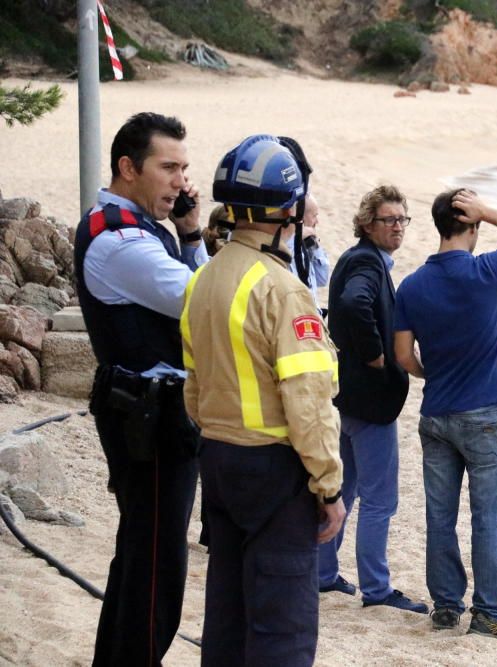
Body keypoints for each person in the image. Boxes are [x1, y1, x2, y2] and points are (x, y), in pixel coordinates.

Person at [181, 134, 346, 666]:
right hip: (275, 470)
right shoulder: (283, 289)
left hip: (219, 457)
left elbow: (193, 385)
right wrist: (328, 485)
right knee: (283, 625)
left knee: (228, 612)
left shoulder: (203, 280)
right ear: (287, 209)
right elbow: (308, 401)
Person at [74, 111, 206, 666]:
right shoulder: (120, 236)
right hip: (148, 417)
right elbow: (201, 301)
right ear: (128, 168)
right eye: (167, 167)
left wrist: (192, 232)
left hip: (154, 412)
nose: (180, 180)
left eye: (184, 167)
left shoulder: (139, 224)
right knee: (156, 566)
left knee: (140, 556)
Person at [394, 189, 497, 641]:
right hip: (483, 412)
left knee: (440, 516)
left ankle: (446, 606)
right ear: (473, 226)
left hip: (437, 413)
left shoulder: (412, 285)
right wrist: (489, 211)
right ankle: (489, 614)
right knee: (487, 517)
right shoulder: (486, 270)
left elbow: (405, 356)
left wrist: (431, 372)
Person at [317, 185, 427, 614]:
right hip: (368, 401)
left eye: (402, 219)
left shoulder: (355, 257)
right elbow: (352, 302)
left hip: (346, 398)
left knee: (344, 487)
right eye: (389, 220)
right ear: (367, 223)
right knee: (380, 498)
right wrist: (376, 355)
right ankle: (377, 590)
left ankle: (323, 575)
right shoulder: (366, 261)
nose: (397, 226)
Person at [287, 193, 331, 309]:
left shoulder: (306, 245)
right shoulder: (285, 245)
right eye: (314, 216)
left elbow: (322, 278)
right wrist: (296, 238)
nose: (317, 221)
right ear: (301, 216)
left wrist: (315, 246)